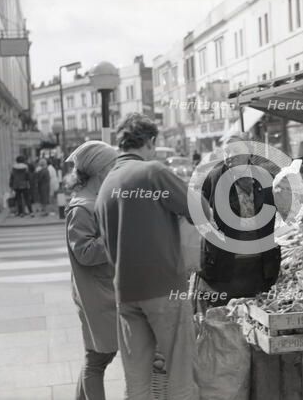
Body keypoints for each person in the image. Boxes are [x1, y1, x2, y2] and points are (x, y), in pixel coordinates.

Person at [95, 112, 206, 400]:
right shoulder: (152, 172)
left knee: (137, 382)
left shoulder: (106, 185)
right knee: (180, 373)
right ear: (151, 141)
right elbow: (200, 210)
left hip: (126, 293)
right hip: (164, 289)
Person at [194, 133, 295, 308]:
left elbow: (287, 209)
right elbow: (197, 214)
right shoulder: (213, 178)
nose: (229, 156)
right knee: (224, 315)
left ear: (248, 153)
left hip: (258, 266)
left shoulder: (266, 178)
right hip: (224, 265)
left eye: (235, 150)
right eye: (226, 152)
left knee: (255, 314)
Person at [65, 141, 119, 400]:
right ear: (99, 170)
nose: (115, 170)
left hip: (103, 289)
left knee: (98, 355)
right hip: (95, 295)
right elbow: (84, 253)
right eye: (112, 165)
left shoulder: (94, 200)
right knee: (98, 358)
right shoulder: (82, 207)